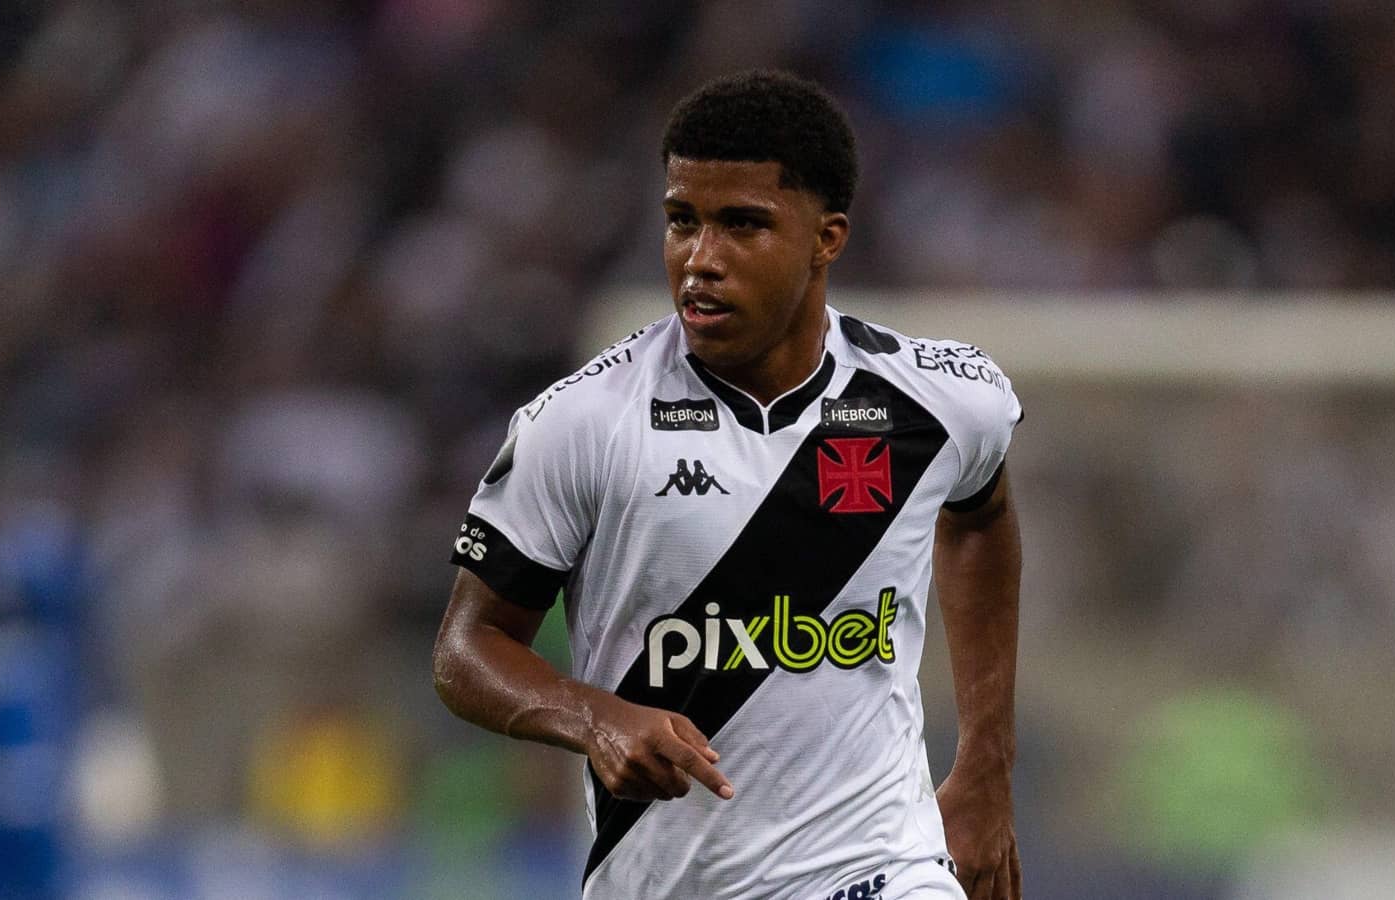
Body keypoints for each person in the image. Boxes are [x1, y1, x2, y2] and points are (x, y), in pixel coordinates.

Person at [433, 70, 1024, 900]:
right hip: (666, 882)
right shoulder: (582, 423)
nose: (700, 260)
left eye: (742, 225)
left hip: (878, 867)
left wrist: (985, 765)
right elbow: (466, 651)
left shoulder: (938, 400)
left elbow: (981, 518)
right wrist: (595, 717)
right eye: (683, 221)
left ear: (826, 239)